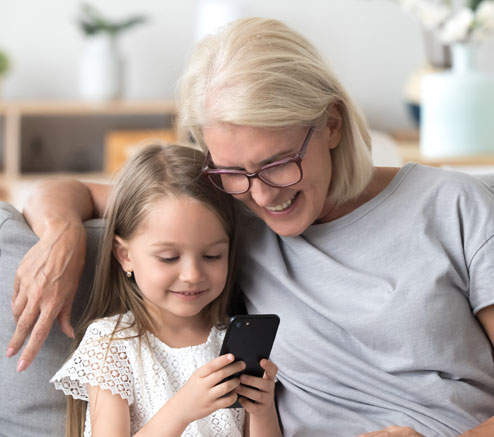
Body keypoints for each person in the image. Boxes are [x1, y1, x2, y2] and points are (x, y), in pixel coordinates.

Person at [6, 17, 494, 437]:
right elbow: (66, 192)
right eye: (234, 172)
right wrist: (61, 235)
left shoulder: (456, 206)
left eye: (278, 163)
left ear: (332, 124)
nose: (262, 195)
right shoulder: (228, 219)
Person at [49, 144, 281, 437]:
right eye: (169, 258)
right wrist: (182, 410)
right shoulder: (111, 344)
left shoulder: (230, 344)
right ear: (125, 255)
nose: (192, 275)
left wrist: (263, 409)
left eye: (211, 256)